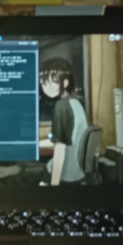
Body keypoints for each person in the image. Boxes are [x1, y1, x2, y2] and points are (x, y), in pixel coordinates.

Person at [41, 56, 91, 185]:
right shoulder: (75, 103)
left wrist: (55, 185)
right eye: (43, 83)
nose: (46, 87)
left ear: (65, 83)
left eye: (52, 82)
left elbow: (60, 148)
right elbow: (66, 139)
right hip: (78, 171)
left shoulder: (61, 106)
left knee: (19, 169)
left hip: (65, 175)